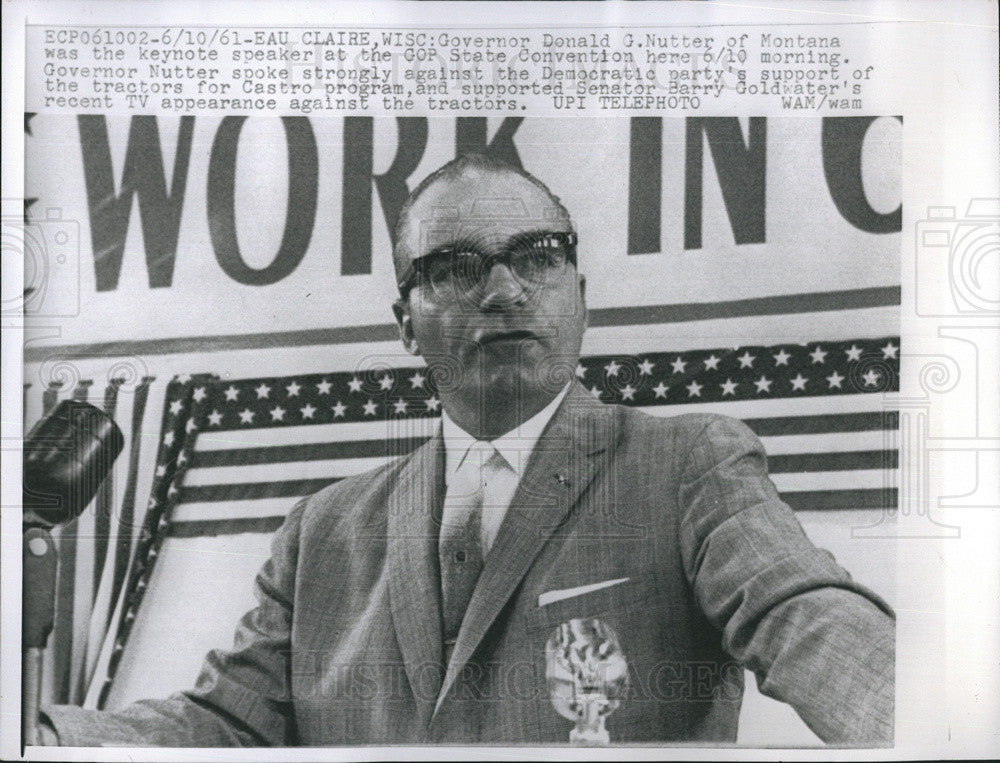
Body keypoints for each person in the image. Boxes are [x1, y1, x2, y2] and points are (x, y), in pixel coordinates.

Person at [39, 154, 894, 746]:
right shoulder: (321, 533)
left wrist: (934, 724)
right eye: (454, 266)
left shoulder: (689, 466)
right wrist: (36, 734)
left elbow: (808, 618)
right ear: (405, 322)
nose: (504, 287)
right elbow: (224, 726)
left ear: (580, 296)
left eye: (539, 256)